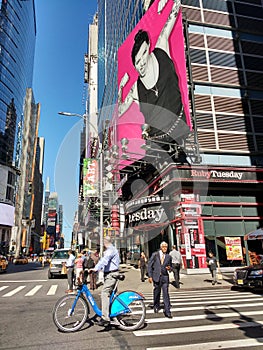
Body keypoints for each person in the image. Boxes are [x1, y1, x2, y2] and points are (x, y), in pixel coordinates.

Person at [118, 0, 189, 149]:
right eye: (137, 62)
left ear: (149, 47)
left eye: (143, 54)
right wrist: (121, 88)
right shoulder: (135, 88)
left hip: (181, 134)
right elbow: (119, 111)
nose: (141, 63)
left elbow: (176, 8)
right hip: (157, 146)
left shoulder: (161, 48)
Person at [90, 236, 120, 327]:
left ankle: (105, 318)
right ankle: (113, 315)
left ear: (105, 242)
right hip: (109, 274)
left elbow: (104, 261)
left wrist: (95, 269)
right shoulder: (110, 250)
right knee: (111, 296)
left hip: (111, 275)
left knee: (104, 292)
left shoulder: (110, 250)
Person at [147, 241, 173, 318]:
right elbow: (149, 266)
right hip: (156, 277)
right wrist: (150, 276)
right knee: (157, 293)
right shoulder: (155, 255)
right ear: (161, 247)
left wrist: (169, 268)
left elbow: (171, 267)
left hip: (165, 277)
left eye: (166, 247)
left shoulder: (168, 257)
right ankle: (156, 305)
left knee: (166, 294)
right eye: (164, 247)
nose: (165, 248)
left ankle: (167, 311)